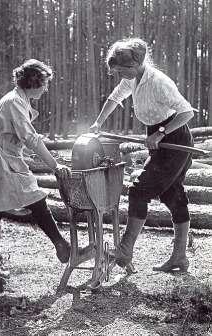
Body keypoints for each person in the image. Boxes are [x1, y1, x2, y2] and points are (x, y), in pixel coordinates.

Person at [0, 59, 72, 284]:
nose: (46, 88)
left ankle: (59, 244)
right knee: (23, 201)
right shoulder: (13, 102)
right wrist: (55, 166)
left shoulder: (18, 101)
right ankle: (59, 244)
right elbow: (31, 138)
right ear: (34, 82)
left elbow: (18, 139)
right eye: (44, 83)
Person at [89, 38, 194, 272]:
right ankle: (179, 257)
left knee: (138, 190)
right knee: (173, 194)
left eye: (120, 71)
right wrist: (98, 123)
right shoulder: (133, 79)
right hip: (159, 139)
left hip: (175, 139)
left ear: (134, 65)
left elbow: (186, 112)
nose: (119, 76)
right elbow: (114, 98)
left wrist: (161, 133)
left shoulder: (158, 82)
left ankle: (125, 249)